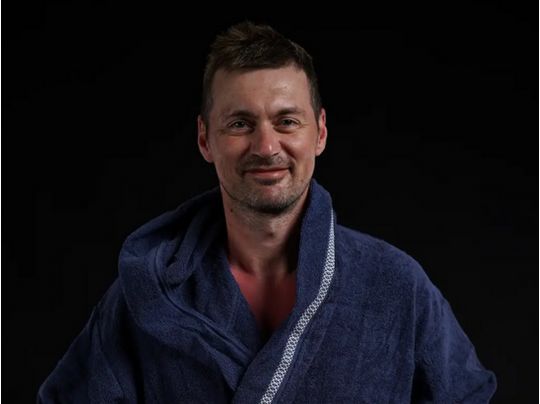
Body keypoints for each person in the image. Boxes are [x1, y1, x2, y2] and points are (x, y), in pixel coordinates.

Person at [38, 21, 497, 403]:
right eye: (240, 124)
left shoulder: (395, 285)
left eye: (286, 121)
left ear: (319, 133)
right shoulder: (147, 291)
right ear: (205, 139)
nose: (266, 146)